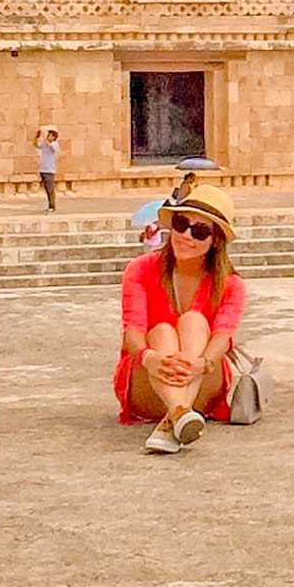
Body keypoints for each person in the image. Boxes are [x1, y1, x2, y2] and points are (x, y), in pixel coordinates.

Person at [113, 181, 246, 454]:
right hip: (148, 378)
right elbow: (133, 331)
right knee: (161, 331)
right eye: (181, 223)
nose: (186, 235)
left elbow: (224, 334)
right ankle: (179, 413)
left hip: (204, 378)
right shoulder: (140, 270)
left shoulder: (230, 284)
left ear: (215, 240)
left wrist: (201, 364)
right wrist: (151, 359)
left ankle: (174, 417)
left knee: (194, 321)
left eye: (199, 231)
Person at [33, 126, 60, 211]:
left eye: (50, 135)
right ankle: (50, 206)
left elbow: (50, 146)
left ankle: (52, 206)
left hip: (50, 170)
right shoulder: (45, 144)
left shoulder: (54, 144)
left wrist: (44, 136)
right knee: (47, 189)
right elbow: (36, 145)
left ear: (54, 137)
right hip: (43, 169)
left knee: (50, 189)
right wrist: (36, 137)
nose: (48, 136)